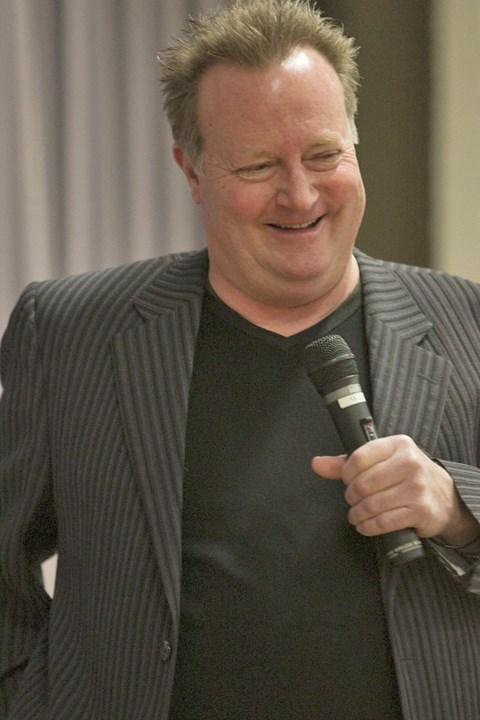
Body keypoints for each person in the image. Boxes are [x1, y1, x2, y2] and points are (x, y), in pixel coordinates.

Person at [1, 0, 480, 717]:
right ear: (191, 172)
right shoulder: (71, 332)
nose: (300, 194)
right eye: (258, 165)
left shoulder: (466, 320)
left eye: (324, 154)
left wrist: (458, 510)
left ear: (356, 141)